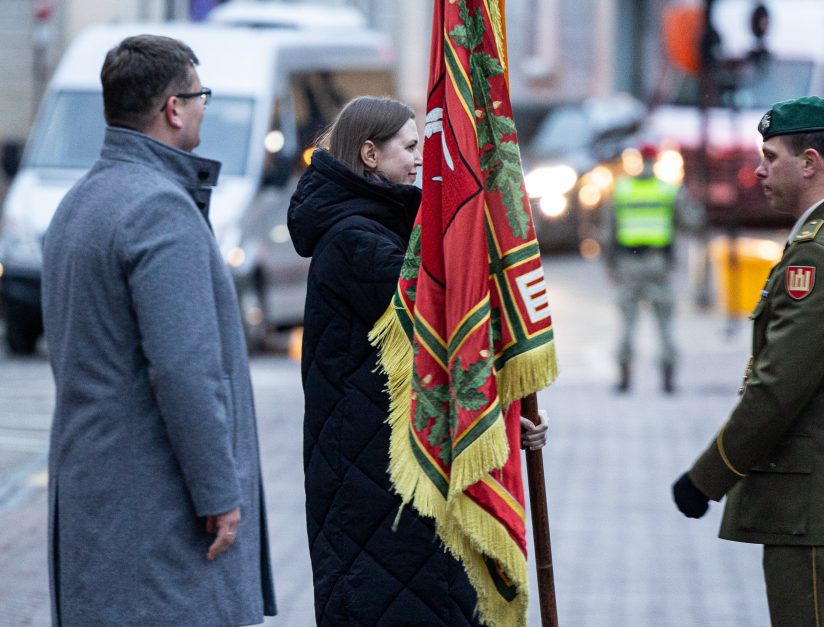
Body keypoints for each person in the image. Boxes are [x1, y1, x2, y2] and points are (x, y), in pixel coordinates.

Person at [41, 35, 276, 625]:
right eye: (200, 96)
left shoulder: (78, 202)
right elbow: (185, 370)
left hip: (93, 496)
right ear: (174, 107)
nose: (203, 108)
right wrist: (218, 494)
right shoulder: (160, 209)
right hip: (157, 513)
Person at [286, 96, 548, 625]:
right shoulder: (355, 241)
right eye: (410, 147)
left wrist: (499, 413)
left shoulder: (378, 226)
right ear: (369, 154)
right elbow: (443, 327)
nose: (421, 159)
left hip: (392, 475)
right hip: (378, 483)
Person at [672, 97, 824, 626]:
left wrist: (706, 479)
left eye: (770, 156)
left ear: (810, 162)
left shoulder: (821, 255)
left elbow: (777, 390)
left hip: (813, 508)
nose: (758, 169)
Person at [604, 143, 701, 394]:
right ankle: (668, 379)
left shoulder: (621, 189)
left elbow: (606, 234)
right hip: (658, 263)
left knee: (627, 323)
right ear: (656, 160)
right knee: (665, 324)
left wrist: (610, 265)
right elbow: (693, 222)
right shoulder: (668, 190)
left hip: (628, 263)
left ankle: (624, 377)